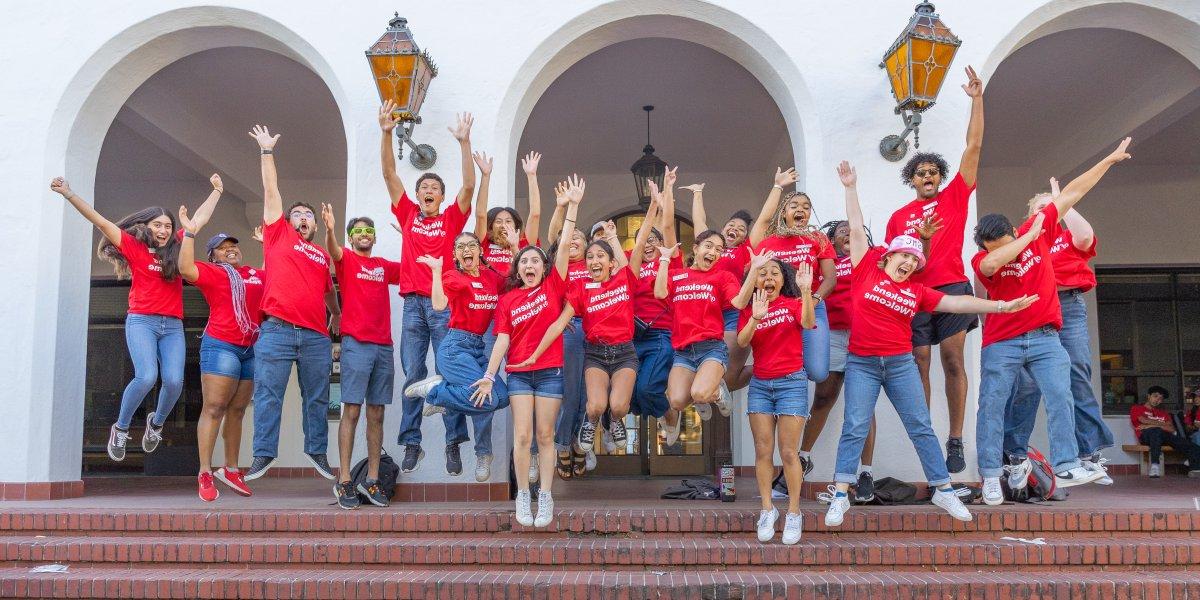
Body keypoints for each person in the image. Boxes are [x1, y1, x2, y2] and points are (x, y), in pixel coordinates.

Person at [824, 160, 1036, 527]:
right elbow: (856, 228)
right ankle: (840, 494)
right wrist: (850, 187)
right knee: (855, 425)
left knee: (920, 425)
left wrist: (1001, 305)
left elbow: (957, 302)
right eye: (902, 255)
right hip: (862, 362)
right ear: (888, 255)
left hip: (899, 363)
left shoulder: (917, 291)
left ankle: (944, 490)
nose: (907, 262)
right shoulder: (865, 272)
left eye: (913, 258)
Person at [971, 139, 1133, 503]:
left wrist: (1106, 159)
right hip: (1003, 342)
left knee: (1061, 395)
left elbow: (1075, 191)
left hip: (1045, 338)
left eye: (1006, 240)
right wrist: (1027, 238)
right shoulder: (982, 261)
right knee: (993, 405)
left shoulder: (1037, 228)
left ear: (1012, 230)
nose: (1001, 248)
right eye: (992, 246)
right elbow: (994, 264)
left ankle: (1066, 462)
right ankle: (992, 475)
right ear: (984, 247)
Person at [51, 174, 221, 462]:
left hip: (172, 326)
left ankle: (155, 425)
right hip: (142, 320)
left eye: (168, 226)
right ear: (147, 226)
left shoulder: (177, 247)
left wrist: (216, 191)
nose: (164, 230)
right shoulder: (134, 246)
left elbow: (199, 220)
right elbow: (101, 222)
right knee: (146, 377)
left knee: (174, 381)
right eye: (158, 225)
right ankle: (121, 428)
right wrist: (68, 193)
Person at [883, 66, 986, 474]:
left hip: (952, 289)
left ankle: (956, 437)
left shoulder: (955, 197)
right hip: (914, 298)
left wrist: (976, 100)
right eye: (920, 173)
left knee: (953, 360)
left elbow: (973, 147)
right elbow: (891, 264)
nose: (927, 176)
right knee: (919, 362)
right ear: (912, 180)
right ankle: (925, 434)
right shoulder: (898, 216)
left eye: (933, 172)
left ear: (940, 178)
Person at [472, 175, 585, 528]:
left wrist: (573, 206)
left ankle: (546, 495)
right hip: (519, 372)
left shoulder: (554, 285)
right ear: (517, 269)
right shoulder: (507, 300)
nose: (530, 265)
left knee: (545, 436)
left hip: (550, 371)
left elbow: (564, 245)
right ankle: (523, 493)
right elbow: (502, 339)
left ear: (543, 267)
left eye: (535, 261)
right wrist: (490, 376)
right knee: (522, 435)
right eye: (524, 262)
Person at [381, 101, 479, 476]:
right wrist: (386, 133)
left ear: (441, 196)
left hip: (443, 306)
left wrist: (464, 143)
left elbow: (469, 186)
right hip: (411, 307)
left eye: (435, 187)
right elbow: (390, 174)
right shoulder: (407, 215)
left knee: (449, 372)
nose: (428, 190)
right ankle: (412, 442)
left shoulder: (453, 219)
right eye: (424, 186)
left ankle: (454, 441)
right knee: (413, 374)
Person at [513, 209, 660, 456]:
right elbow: (560, 323)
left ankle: (615, 421)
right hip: (596, 354)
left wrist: (655, 204)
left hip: (624, 352)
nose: (593, 260)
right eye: (590, 256)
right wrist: (535, 354)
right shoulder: (581, 288)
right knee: (594, 406)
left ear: (612, 263)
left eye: (600, 256)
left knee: (618, 406)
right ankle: (590, 424)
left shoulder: (624, 279)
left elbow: (642, 240)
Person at [244, 125, 341, 481]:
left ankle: (316, 451)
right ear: (286, 222)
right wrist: (266, 152)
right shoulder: (277, 237)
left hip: (316, 336)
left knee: (317, 398)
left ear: (315, 225)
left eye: (308, 215)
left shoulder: (319, 255)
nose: (302, 217)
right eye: (297, 214)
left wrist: (336, 316)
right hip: (277, 331)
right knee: (268, 395)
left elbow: (328, 291)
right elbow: (271, 192)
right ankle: (263, 455)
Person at [1003, 183, 1116, 488]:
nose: (1049, 210)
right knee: (1027, 383)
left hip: (1068, 305)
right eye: (1041, 208)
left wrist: (1061, 200)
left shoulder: (1067, 237)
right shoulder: (1026, 242)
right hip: (1036, 307)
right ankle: (1013, 455)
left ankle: (1089, 452)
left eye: (1053, 206)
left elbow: (1084, 237)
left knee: (1078, 371)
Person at [405, 232, 510, 484]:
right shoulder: (454, 277)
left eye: (471, 245)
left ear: (479, 251)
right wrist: (436, 271)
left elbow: (516, 286)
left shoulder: (491, 278)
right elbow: (439, 305)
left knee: (503, 397)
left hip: (477, 349)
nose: (467, 250)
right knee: (487, 399)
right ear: (455, 256)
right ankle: (436, 392)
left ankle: (445, 398)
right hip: (456, 347)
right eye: (460, 246)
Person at [177, 201, 265, 502]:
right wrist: (189, 234)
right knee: (214, 408)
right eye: (222, 247)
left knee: (238, 411)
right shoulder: (213, 273)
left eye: (234, 246)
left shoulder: (254, 273)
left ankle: (230, 468)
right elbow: (184, 268)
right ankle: (204, 471)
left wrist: (269, 246)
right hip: (221, 345)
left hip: (250, 347)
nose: (231, 249)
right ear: (212, 255)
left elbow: (274, 279)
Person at [321, 207, 402, 509]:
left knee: (377, 413)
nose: (364, 235)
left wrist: (409, 236)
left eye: (369, 231)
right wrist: (330, 230)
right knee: (351, 411)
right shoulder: (347, 260)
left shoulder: (382, 265)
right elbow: (334, 251)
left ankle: (372, 479)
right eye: (358, 232)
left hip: (384, 345)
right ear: (351, 238)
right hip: (356, 343)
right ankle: (344, 481)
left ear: (375, 238)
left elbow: (411, 269)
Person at [653, 226, 767, 428]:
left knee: (699, 393)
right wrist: (664, 260)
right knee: (677, 401)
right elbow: (660, 293)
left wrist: (755, 269)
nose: (714, 252)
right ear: (696, 248)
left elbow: (740, 302)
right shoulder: (678, 276)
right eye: (709, 246)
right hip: (683, 352)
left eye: (719, 250)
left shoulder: (722, 277)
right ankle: (706, 392)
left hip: (712, 348)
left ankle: (715, 391)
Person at [738, 260, 816, 545]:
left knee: (789, 453)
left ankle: (794, 513)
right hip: (760, 384)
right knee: (762, 450)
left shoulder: (792, 304)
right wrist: (756, 318)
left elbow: (808, 323)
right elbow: (744, 342)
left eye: (775, 274)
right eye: (762, 273)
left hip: (791, 383)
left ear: (783, 281)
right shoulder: (749, 309)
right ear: (754, 280)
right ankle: (767, 510)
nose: (768, 278)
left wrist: (806, 292)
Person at [798, 219, 877, 502]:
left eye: (852, 230)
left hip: (863, 335)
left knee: (862, 405)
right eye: (841, 231)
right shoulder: (826, 263)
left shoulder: (872, 258)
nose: (847, 232)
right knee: (823, 397)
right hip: (832, 334)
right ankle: (802, 458)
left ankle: (865, 473)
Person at [749, 168, 834, 385]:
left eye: (806, 207)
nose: (801, 210)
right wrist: (778, 186)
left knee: (818, 372)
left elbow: (831, 278)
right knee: (773, 364)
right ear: (784, 212)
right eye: (794, 206)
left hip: (811, 304)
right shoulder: (769, 241)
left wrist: (815, 300)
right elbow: (763, 220)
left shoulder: (818, 238)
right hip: (777, 308)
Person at [687, 183, 757, 395]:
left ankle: (770, 366)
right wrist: (697, 193)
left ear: (745, 237)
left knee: (729, 378)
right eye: (731, 224)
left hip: (732, 311)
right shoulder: (710, 246)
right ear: (723, 228)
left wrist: (776, 186)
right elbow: (699, 222)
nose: (735, 229)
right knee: (698, 362)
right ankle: (704, 396)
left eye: (742, 229)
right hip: (705, 311)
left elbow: (762, 221)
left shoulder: (745, 251)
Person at [631, 184, 683, 447]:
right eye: (644, 240)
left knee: (646, 389)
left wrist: (665, 200)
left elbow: (669, 229)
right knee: (631, 394)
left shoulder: (671, 261)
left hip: (661, 333)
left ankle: (670, 412)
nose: (649, 244)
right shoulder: (632, 264)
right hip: (633, 335)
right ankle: (656, 411)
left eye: (654, 239)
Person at [474, 151, 542, 277]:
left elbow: (535, 214)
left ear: (516, 227)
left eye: (508, 221)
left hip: (516, 295)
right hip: (489, 296)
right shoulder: (483, 243)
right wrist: (485, 176)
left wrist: (531, 176)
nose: (503, 225)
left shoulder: (524, 244)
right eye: (498, 221)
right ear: (490, 226)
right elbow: (480, 215)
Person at [1130, 387, 1200, 477]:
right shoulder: (1137, 408)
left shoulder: (1163, 413)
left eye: (1160, 399)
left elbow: (1172, 429)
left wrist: (1152, 425)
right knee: (1156, 431)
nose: (1157, 400)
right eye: (1155, 396)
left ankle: (1195, 468)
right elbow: (1143, 420)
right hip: (1146, 436)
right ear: (1148, 396)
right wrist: (1161, 425)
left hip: (1164, 436)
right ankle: (1155, 466)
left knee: (1192, 446)